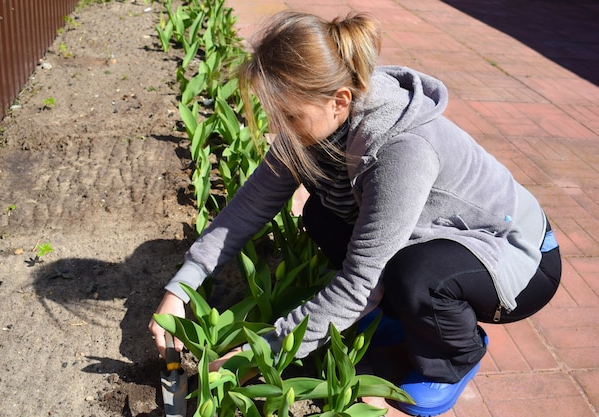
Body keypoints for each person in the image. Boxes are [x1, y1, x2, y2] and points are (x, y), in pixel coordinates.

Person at [149, 10, 562, 417]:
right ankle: (405, 319)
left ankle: (453, 357)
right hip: (437, 233)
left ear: (339, 101)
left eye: (289, 116)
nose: (279, 128)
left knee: (414, 275)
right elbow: (251, 206)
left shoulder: (401, 151)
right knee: (321, 214)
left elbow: (360, 283)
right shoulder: (317, 121)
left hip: (517, 256)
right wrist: (179, 290)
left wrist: (266, 351)